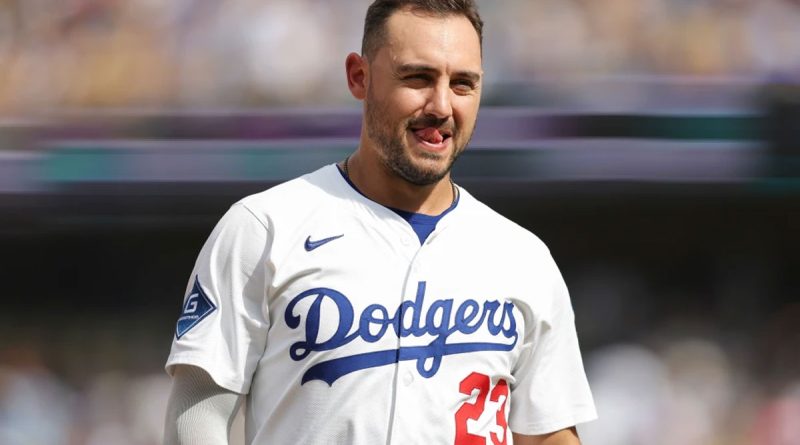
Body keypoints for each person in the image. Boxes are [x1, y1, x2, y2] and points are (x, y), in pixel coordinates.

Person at [163, 1, 597, 444]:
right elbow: (195, 418)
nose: (442, 105)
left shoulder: (523, 257)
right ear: (359, 77)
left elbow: (548, 435)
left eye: (462, 84)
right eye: (418, 78)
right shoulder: (265, 227)